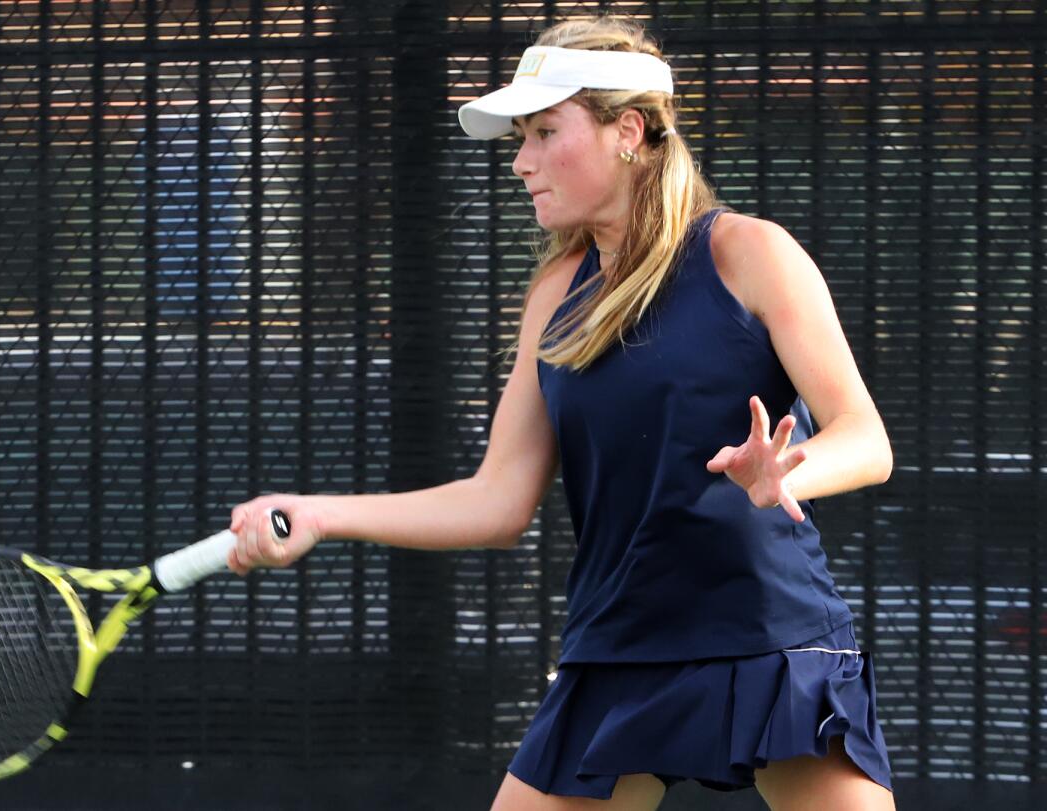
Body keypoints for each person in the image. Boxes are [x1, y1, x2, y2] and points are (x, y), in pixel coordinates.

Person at [227, 14, 897, 811]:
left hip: (770, 634)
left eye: (546, 132)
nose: (521, 162)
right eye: (521, 136)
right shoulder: (555, 297)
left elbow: (867, 438)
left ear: (627, 130)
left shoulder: (750, 253)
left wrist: (785, 470)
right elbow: (499, 499)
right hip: (620, 639)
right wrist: (320, 514)